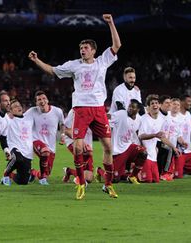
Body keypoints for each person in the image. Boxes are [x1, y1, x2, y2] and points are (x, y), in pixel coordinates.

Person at [28, 14, 121, 200]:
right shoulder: (73, 65)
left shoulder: (103, 61)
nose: (82, 50)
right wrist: (37, 60)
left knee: (108, 147)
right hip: (81, 109)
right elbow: (53, 70)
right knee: (78, 148)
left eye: (86, 48)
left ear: (93, 50)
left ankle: (108, 185)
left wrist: (110, 23)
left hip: (99, 109)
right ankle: (80, 184)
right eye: (81, 48)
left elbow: (117, 45)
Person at [24, 90, 64, 185]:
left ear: (47, 100)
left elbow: (62, 124)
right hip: (35, 141)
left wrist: (62, 135)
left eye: (43, 98)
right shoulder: (32, 111)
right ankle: (42, 179)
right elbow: (20, 118)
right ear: (36, 103)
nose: (42, 101)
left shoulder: (57, 111)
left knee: (47, 172)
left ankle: (33, 173)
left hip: (51, 146)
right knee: (45, 151)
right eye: (39, 100)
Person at [138, 95, 178, 183]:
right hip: (145, 154)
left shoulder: (161, 119)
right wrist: (155, 135)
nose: (155, 105)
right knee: (147, 180)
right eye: (152, 103)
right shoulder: (144, 118)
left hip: (153, 155)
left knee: (156, 180)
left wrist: (173, 147)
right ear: (148, 107)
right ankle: (135, 172)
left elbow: (162, 137)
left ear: (159, 105)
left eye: (156, 103)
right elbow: (141, 136)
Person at [107, 99, 147, 184]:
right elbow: (108, 117)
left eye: (133, 107)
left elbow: (136, 134)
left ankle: (133, 176)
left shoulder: (139, 119)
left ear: (138, 110)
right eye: (129, 106)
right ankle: (100, 171)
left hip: (129, 146)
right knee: (115, 179)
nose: (130, 108)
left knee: (143, 153)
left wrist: (140, 145)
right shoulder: (121, 114)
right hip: (118, 150)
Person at [0, 99, 35, 186]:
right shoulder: (9, 120)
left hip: (27, 153)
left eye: (19, 105)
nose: (18, 107)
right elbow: (1, 115)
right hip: (15, 148)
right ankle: (6, 175)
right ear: (10, 111)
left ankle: (12, 175)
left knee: (23, 182)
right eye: (15, 107)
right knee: (17, 158)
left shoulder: (29, 119)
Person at [62, 109, 94, 184]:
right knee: (87, 152)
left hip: (87, 144)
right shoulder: (74, 111)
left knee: (89, 178)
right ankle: (79, 179)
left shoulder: (95, 109)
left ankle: (69, 171)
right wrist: (80, 141)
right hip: (73, 141)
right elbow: (65, 130)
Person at [159, 98, 187, 181]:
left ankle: (167, 172)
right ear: (171, 105)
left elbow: (178, 135)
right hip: (163, 143)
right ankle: (164, 173)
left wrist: (183, 142)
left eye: (178, 105)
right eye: (174, 104)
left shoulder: (180, 120)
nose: (176, 106)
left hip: (173, 146)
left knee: (178, 175)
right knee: (169, 151)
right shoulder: (164, 116)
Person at [175, 94, 191, 178]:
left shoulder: (188, 114)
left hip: (188, 150)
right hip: (180, 150)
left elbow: (188, 133)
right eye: (189, 101)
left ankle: (183, 169)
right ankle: (179, 168)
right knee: (178, 176)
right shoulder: (175, 115)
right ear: (182, 102)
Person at [156, 94, 171, 175]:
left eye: (170, 103)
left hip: (164, 140)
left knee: (168, 148)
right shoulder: (157, 114)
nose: (169, 104)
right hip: (156, 140)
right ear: (160, 104)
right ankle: (163, 173)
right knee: (168, 149)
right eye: (166, 103)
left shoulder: (169, 115)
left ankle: (163, 172)